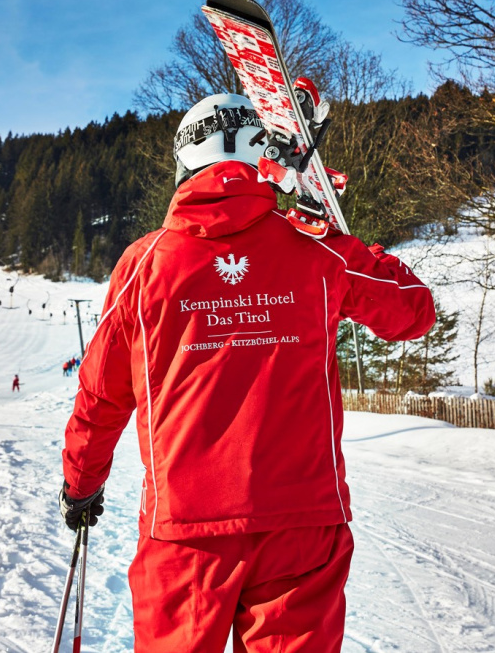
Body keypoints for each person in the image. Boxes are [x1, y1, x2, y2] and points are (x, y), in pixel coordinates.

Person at [58, 94, 435, 652]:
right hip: (301, 524)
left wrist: (81, 484)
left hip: (186, 532)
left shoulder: (144, 264)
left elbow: (100, 396)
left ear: (185, 163)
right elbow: (411, 311)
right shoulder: (316, 249)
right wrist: (339, 237)